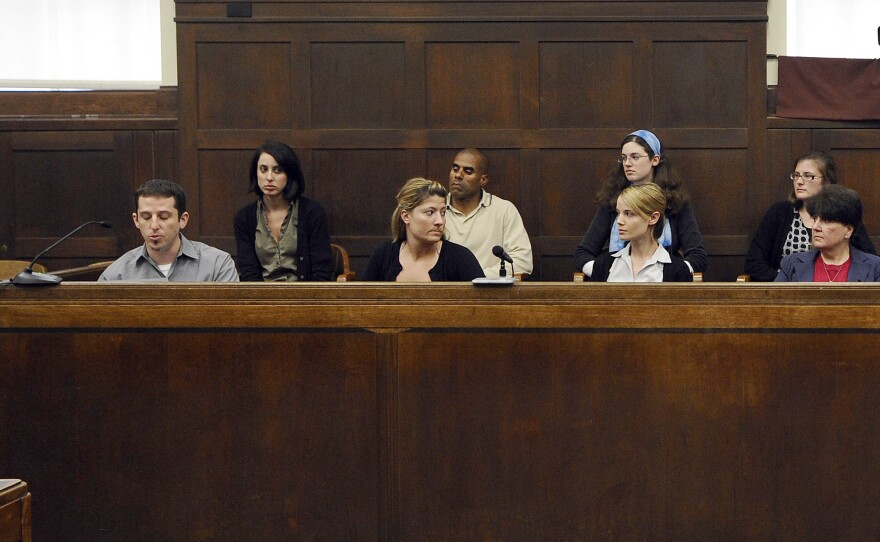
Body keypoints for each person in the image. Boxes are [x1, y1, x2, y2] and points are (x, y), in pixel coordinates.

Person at [574, 130, 706, 277]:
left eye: (635, 157)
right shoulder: (613, 200)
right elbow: (583, 253)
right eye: (624, 158)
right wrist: (609, 273)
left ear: (655, 160)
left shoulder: (675, 202)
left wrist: (670, 273)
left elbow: (698, 256)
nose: (627, 164)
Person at [745, 150, 875, 281]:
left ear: (826, 181)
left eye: (808, 176)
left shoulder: (844, 215)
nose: (799, 181)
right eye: (796, 175)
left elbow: (868, 263)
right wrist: (789, 280)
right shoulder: (779, 212)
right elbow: (754, 263)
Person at [99, 179, 239, 282]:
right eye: (146, 217)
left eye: (163, 217)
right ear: (136, 220)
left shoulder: (217, 265)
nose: (154, 225)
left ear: (183, 219)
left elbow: (232, 319)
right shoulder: (116, 275)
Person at [233, 141, 333, 281]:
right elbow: (249, 273)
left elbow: (321, 271)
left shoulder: (312, 213)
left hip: (306, 297)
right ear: (256, 173)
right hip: (261, 298)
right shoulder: (244, 218)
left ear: (290, 174)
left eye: (277, 170)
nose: (269, 178)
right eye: (263, 169)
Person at [362, 177, 484, 282]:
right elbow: (361, 302)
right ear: (406, 216)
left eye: (442, 213)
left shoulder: (460, 258)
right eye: (429, 212)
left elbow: (484, 304)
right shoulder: (384, 254)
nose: (439, 221)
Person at [444, 148, 533, 278]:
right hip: (443, 293)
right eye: (455, 169)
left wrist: (477, 277)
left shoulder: (503, 210)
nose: (458, 175)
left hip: (490, 293)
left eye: (468, 171)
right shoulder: (434, 210)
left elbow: (522, 261)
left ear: (483, 180)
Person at [589, 183, 692, 282]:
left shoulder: (678, 270)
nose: (619, 221)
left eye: (629, 214)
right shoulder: (603, 264)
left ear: (653, 218)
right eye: (618, 213)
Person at [775, 185, 880, 282]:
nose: (815, 227)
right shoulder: (791, 264)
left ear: (848, 230)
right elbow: (775, 301)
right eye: (815, 219)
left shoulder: (875, 267)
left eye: (826, 221)